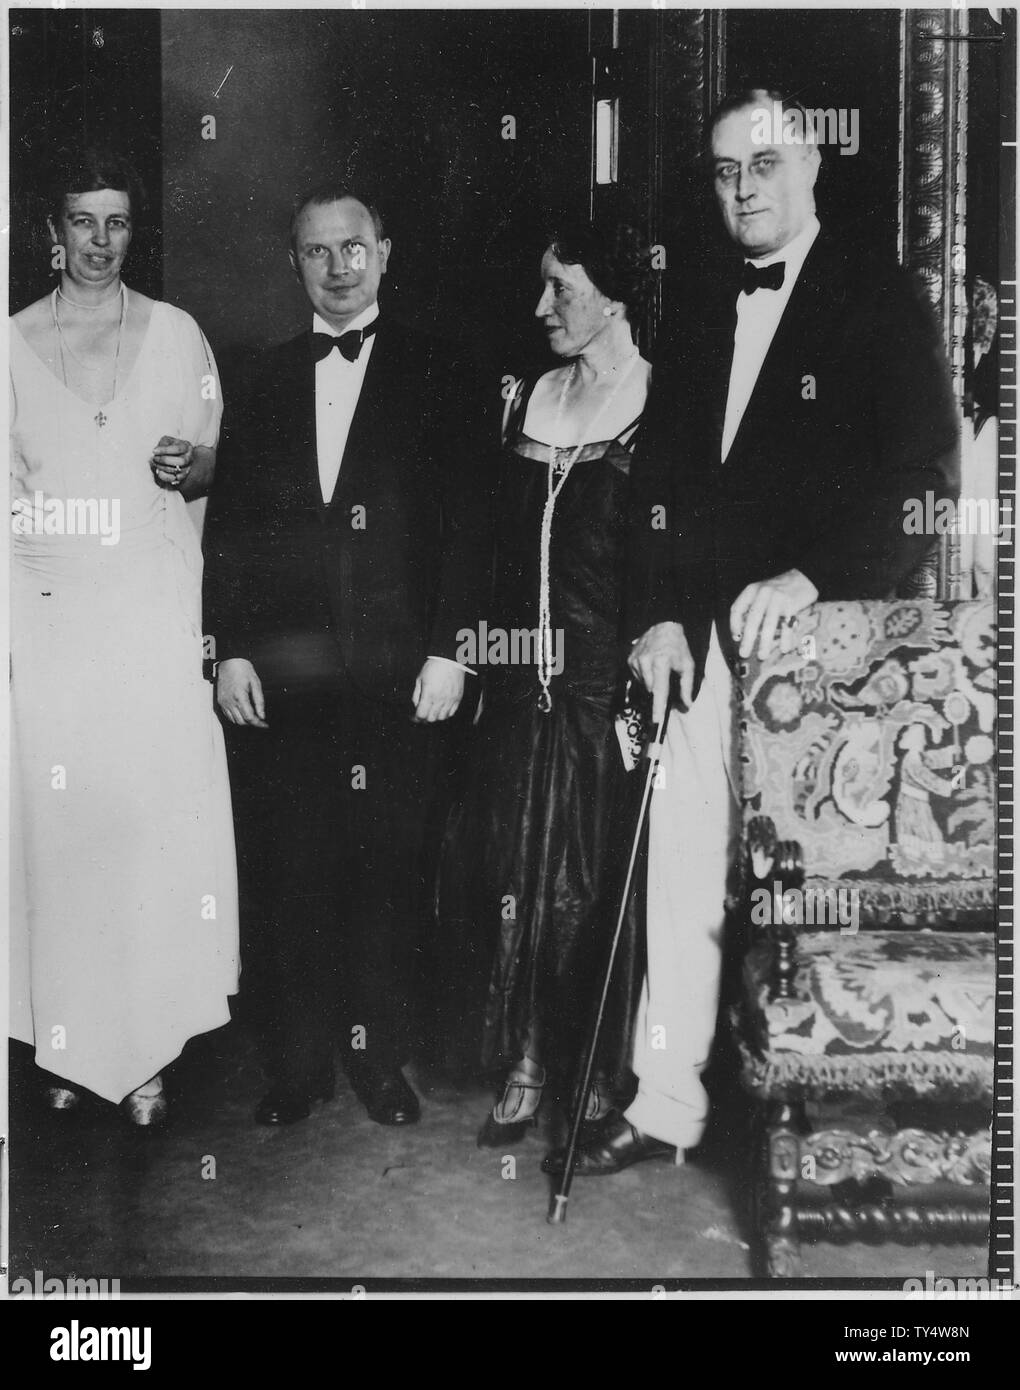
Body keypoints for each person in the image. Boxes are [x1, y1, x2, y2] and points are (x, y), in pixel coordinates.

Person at [550, 87, 960, 1176]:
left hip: (822, 655)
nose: (745, 190)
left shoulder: (879, 297)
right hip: (706, 643)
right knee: (681, 865)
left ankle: (806, 1123)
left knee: (796, 883)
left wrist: (813, 576)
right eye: (728, 172)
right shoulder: (697, 305)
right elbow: (665, 488)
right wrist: (662, 621)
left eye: (765, 166)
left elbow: (923, 478)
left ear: (811, 166)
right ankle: (667, 1103)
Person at [202, 186, 491, 1127]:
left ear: (385, 252)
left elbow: (468, 531)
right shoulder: (259, 377)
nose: (336, 267)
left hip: (398, 676)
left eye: (352, 248)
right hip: (286, 678)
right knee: (291, 869)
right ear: (294, 263)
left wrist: (454, 650)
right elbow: (233, 532)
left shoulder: (442, 369)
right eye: (316, 251)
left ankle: (378, 1061)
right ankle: (297, 1067)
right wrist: (230, 653)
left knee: (387, 873)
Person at [10, 147, 239, 1126]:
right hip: (57, 626)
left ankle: (146, 1050)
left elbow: (222, 470)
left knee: (151, 836)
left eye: (116, 222)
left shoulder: (179, 334)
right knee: (69, 836)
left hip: (155, 618)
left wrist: (197, 465)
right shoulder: (10, 345)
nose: (99, 242)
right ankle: (71, 1041)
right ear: (50, 233)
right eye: (81, 221)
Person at [443, 225, 654, 1147]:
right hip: (521, 678)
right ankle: (524, 1062)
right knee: (515, 872)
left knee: (597, 880)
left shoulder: (661, 403)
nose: (541, 309)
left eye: (559, 289)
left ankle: (596, 1080)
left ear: (612, 297)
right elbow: (491, 549)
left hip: (607, 692)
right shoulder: (530, 397)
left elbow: (669, 559)